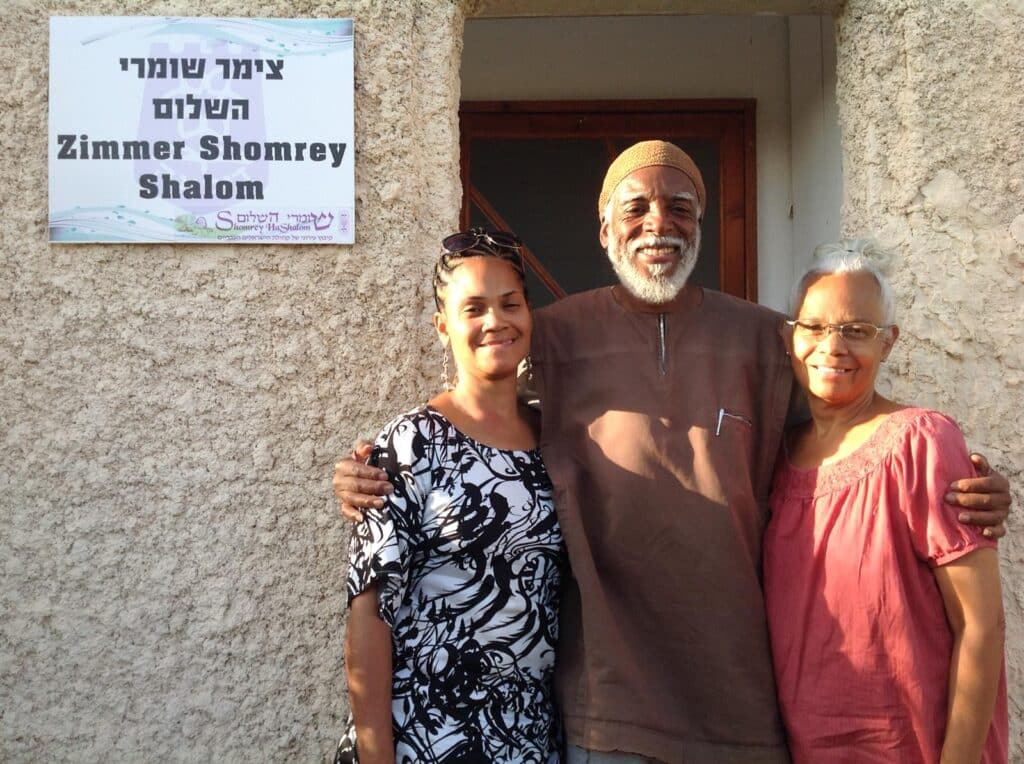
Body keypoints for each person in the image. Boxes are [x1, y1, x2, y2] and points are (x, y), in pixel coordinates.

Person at [334, 141, 1012, 764]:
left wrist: (966, 484)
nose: (658, 222)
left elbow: (844, 434)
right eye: (636, 207)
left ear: (701, 225)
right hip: (608, 705)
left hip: (741, 700)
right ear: (605, 232)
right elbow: (486, 409)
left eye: (679, 207)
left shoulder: (764, 339)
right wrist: (377, 470)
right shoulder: (558, 338)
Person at [763, 240, 1007, 763]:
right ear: (789, 338)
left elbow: (981, 627)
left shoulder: (921, 443)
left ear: (888, 343)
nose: (833, 347)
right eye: (815, 327)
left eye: (857, 331)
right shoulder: (774, 461)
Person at [335, 230, 564, 764]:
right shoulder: (410, 442)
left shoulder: (557, 441)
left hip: (529, 736)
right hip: (424, 735)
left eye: (511, 304)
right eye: (473, 308)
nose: (496, 322)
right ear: (444, 327)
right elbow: (368, 611)